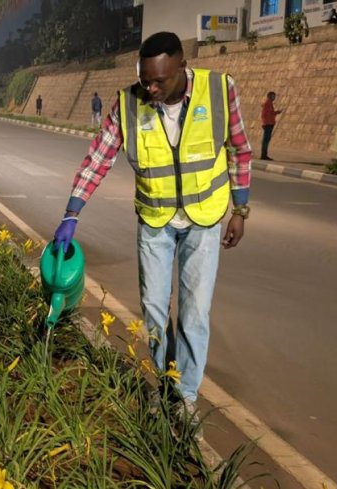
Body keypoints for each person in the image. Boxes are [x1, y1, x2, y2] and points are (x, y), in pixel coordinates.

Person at [52, 32, 252, 430]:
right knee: (155, 311)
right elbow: (99, 157)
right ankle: (165, 385)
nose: (152, 89)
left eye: (160, 80)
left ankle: (186, 396)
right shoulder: (129, 102)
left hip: (204, 218)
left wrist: (240, 209)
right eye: (145, 80)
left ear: (182, 68)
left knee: (195, 312)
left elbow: (239, 149)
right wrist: (72, 212)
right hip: (155, 219)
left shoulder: (218, 89)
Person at [260, 91, 283, 160]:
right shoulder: (267, 104)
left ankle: (264, 155)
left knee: (266, 140)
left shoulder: (268, 103)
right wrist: (275, 113)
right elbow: (265, 114)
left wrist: (276, 112)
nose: (274, 97)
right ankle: (264, 155)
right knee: (266, 140)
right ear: (269, 96)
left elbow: (270, 113)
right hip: (268, 123)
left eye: (274, 96)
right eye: (273, 96)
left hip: (268, 123)